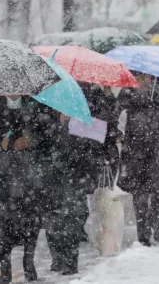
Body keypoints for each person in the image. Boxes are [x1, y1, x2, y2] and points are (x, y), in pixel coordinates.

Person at [0, 96, 46, 284]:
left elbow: (46, 135)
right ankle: (5, 266)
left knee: (31, 221)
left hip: (29, 175)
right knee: (2, 223)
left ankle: (28, 260)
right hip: (1, 176)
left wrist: (30, 140)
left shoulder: (34, 105)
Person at [117, 73, 159, 245]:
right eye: (140, 77)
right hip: (135, 150)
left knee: (157, 190)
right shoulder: (127, 94)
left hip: (156, 149)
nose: (144, 81)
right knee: (140, 193)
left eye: (147, 77)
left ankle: (157, 224)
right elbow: (118, 117)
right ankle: (142, 232)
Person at [45, 105, 104, 275]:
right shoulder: (50, 127)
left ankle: (70, 262)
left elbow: (90, 154)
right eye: (63, 111)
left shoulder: (81, 129)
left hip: (74, 183)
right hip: (53, 185)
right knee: (54, 223)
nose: (65, 115)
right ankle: (58, 258)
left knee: (71, 223)